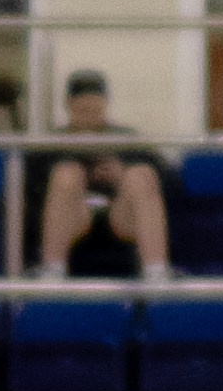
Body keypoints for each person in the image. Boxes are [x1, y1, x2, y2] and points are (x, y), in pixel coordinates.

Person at [33, 67, 172, 283]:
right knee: (66, 174)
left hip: (121, 218)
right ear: (70, 106)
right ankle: (52, 271)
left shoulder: (126, 140)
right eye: (83, 110)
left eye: (95, 111)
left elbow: (169, 182)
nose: (89, 118)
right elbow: (31, 193)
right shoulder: (51, 145)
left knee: (141, 174)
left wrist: (120, 174)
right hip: (73, 219)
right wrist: (80, 177)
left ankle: (156, 272)